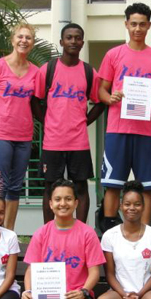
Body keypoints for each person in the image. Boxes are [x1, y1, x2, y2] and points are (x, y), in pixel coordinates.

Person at [97, 2, 151, 229]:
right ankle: (109, 231)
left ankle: (146, 232)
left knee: (146, 185)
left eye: (142, 24)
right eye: (133, 24)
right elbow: (101, 89)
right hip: (117, 130)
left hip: (145, 132)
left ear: (149, 25)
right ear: (126, 25)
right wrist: (111, 99)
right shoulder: (113, 54)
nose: (137, 28)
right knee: (113, 184)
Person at [10, 179, 106, 299]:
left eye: (68, 199)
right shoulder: (42, 233)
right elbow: (32, 269)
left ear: (76, 203)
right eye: (58, 199)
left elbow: (94, 272)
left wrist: (83, 291)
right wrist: (29, 291)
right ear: (50, 204)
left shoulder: (87, 233)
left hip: (75, 295)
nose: (63, 203)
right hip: (45, 295)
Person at [31, 23, 105, 224]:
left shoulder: (89, 72)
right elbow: (34, 100)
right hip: (52, 141)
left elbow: (100, 103)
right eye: (69, 37)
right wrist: (46, 122)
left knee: (81, 187)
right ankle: (49, 232)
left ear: (82, 42)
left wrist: (84, 122)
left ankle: (80, 230)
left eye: (77, 38)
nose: (73, 41)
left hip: (78, 142)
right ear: (62, 42)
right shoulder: (48, 69)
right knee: (50, 187)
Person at [0, 22, 39, 230]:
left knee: (15, 187)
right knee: (0, 187)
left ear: (32, 43)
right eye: (20, 37)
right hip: (1, 134)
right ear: (13, 40)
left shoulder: (36, 72)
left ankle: (8, 232)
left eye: (28, 38)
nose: (24, 41)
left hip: (23, 136)